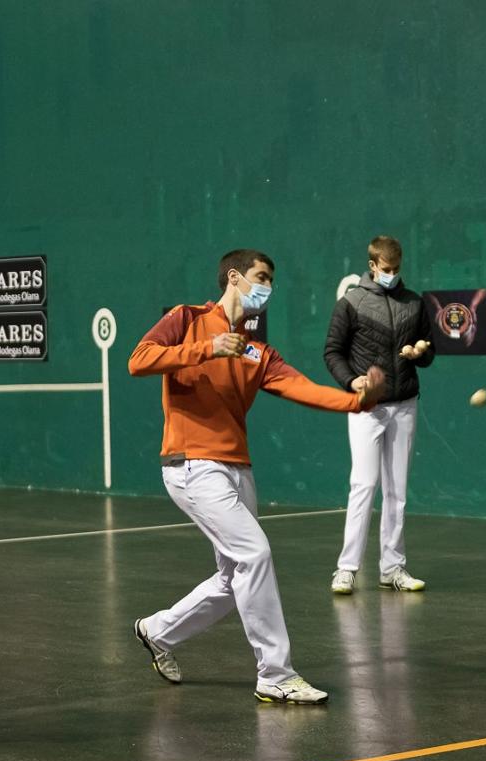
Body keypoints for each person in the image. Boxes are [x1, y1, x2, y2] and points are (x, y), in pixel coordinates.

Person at [128, 248, 385, 705]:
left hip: (237, 468)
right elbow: (139, 359)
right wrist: (205, 348)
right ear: (234, 277)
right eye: (261, 277)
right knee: (255, 552)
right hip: (192, 464)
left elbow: (302, 387)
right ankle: (275, 674)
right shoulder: (185, 318)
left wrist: (357, 399)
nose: (267, 288)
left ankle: (157, 631)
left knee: (233, 577)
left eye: (271, 281)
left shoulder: (255, 350)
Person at [324, 236, 435, 595]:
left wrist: (420, 351)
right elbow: (332, 352)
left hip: (405, 403)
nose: (392, 275)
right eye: (386, 270)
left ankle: (393, 568)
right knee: (363, 485)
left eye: (397, 269)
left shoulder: (414, 303)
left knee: (397, 491)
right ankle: (346, 569)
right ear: (372, 266)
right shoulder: (351, 302)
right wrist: (350, 379)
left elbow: (430, 350)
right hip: (367, 406)